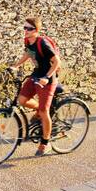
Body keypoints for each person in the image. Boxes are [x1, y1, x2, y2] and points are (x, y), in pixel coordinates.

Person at [11, 17, 61, 155]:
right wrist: (16, 66)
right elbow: (28, 53)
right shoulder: (28, 41)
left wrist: (46, 77)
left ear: (37, 30)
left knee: (45, 112)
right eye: (25, 28)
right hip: (36, 75)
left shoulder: (43, 43)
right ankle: (40, 111)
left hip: (48, 79)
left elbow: (56, 62)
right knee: (22, 100)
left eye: (29, 28)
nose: (26, 31)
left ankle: (45, 143)